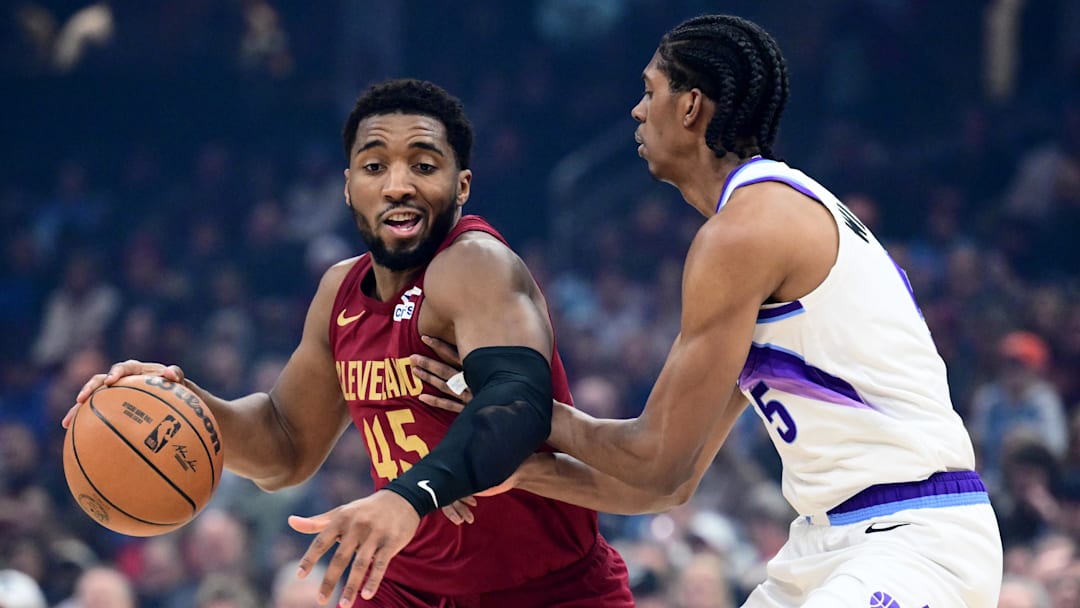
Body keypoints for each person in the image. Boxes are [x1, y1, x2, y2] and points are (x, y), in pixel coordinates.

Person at [412, 14, 1004, 608]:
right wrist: (519, 470)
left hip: (914, 535)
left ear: (691, 106)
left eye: (650, 91)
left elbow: (653, 456)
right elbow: (666, 484)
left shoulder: (747, 230)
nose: (637, 111)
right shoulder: (759, 226)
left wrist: (521, 412)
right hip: (828, 541)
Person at [64, 79, 632, 607]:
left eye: (423, 165)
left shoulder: (475, 263)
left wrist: (409, 495)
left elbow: (517, 402)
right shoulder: (339, 291)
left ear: (461, 185)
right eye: (374, 165)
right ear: (348, 186)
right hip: (405, 586)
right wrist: (185, 403)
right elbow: (286, 445)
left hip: (544, 587)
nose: (397, 185)